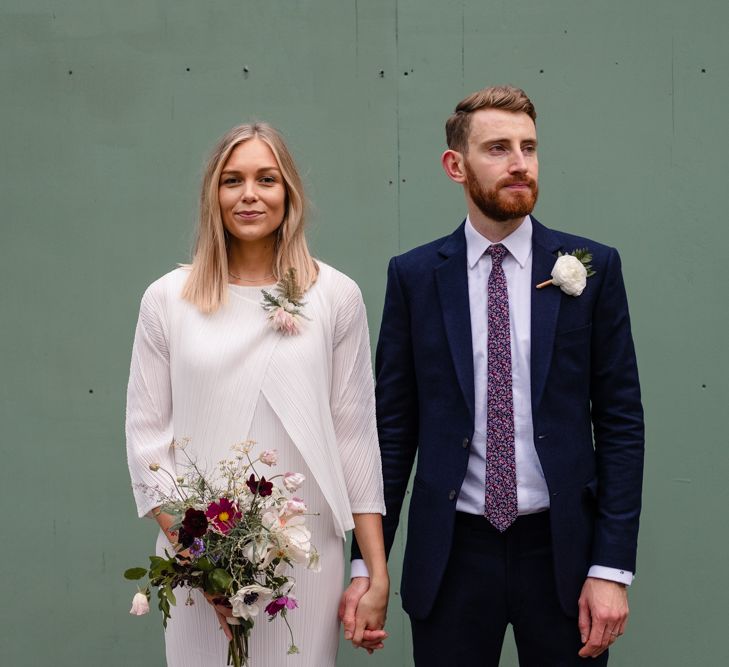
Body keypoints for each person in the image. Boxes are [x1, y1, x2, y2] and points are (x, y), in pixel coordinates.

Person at [345, 85, 644, 665]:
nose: (519, 165)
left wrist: (610, 567)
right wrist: (366, 562)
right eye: (499, 148)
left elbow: (620, 423)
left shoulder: (592, 268)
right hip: (452, 552)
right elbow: (391, 432)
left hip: (562, 554)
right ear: (455, 165)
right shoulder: (413, 277)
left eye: (529, 148)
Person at [125, 122, 389, 666]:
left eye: (266, 179)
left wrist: (375, 572)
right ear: (213, 196)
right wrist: (203, 562)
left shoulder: (335, 295)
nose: (249, 194)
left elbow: (355, 433)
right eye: (232, 180)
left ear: (288, 192)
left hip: (306, 552)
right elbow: (148, 441)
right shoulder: (167, 299)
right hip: (196, 552)